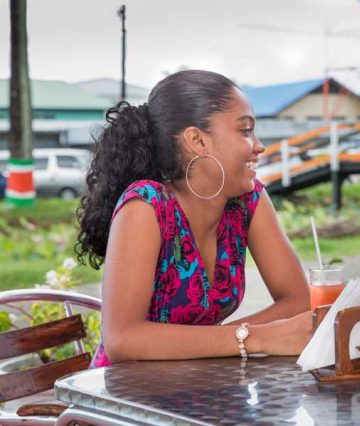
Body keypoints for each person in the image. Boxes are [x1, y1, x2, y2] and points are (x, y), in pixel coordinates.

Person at [76, 70, 312, 367]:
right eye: (245, 130)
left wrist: (215, 344)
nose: (259, 145)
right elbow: (122, 340)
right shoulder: (146, 206)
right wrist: (252, 338)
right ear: (197, 140)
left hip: (202, 386)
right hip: (125, 400)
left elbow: (299, 302)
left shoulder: (247, 201)